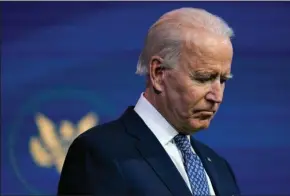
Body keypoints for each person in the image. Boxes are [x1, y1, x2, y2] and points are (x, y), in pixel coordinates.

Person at [57, 7, 240, 196]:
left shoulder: (219, 167)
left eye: (223, 80)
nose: (217, 96)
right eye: (203, 78)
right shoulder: (100, 154)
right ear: (158, 74)